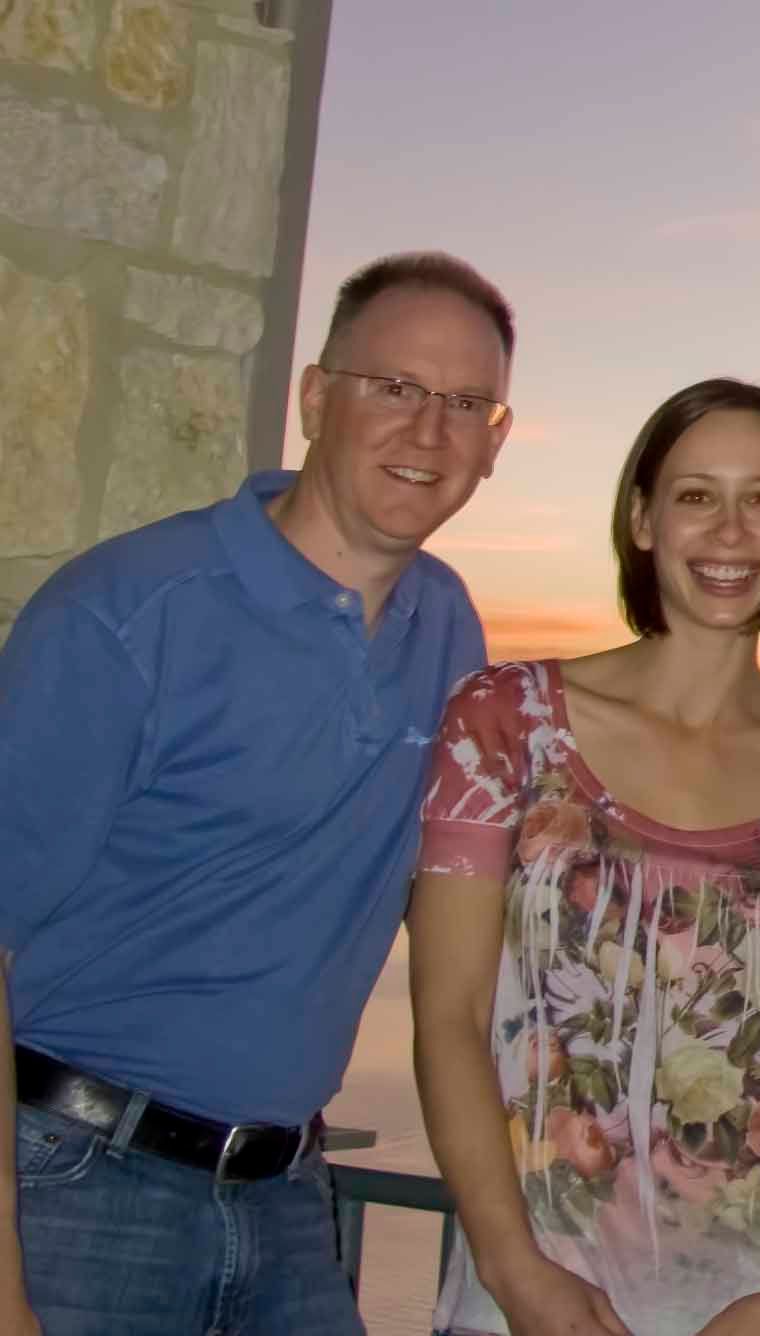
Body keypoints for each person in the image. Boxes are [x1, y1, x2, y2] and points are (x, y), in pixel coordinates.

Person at [0, 251, 512, 1334]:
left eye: (465, 402)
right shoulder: (130, 614)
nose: (429, 432)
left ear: (496, 441)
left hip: (283, 1201)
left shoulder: (448, 627)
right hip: (74, 1185)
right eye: (396, 388)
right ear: (317, 397)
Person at [409, 378, 760, 1336]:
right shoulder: (503, 720)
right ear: (642, 520)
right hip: (532, 1292)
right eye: (696, 495)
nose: (730, 532)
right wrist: (516, 1274)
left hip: (757, 1292)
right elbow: (448, 1015)